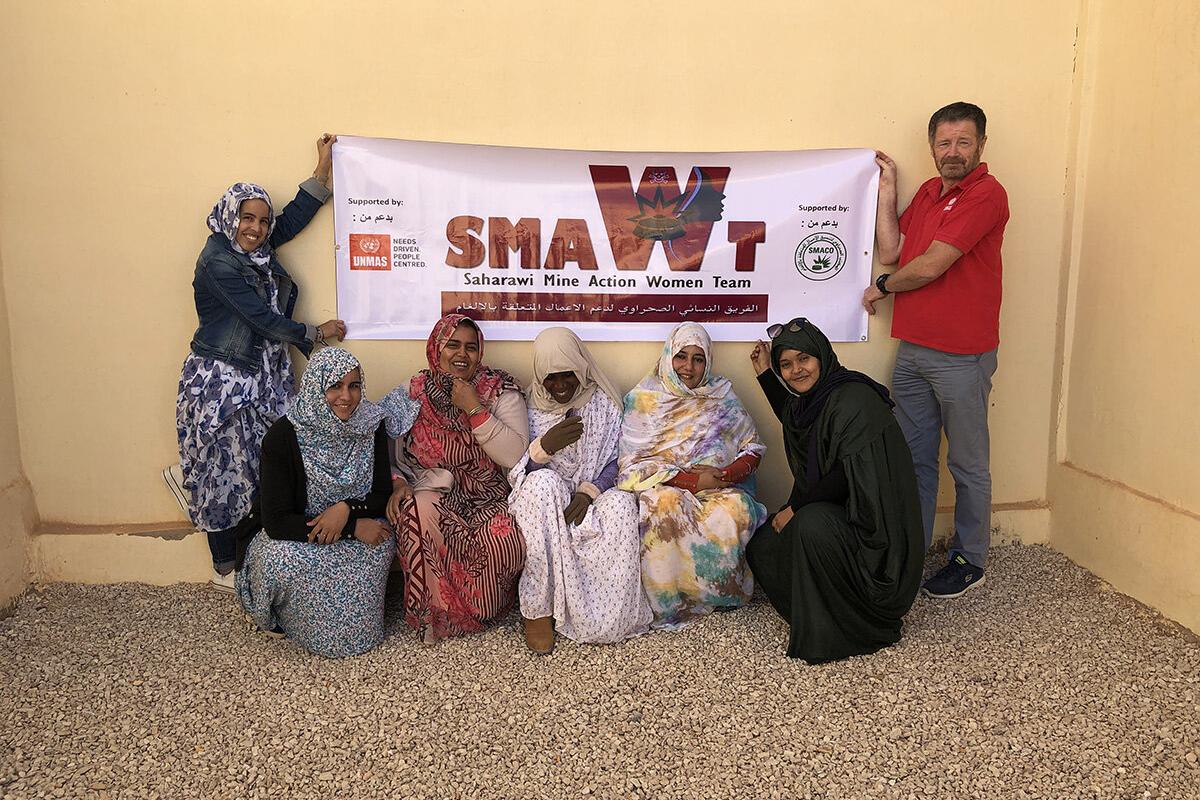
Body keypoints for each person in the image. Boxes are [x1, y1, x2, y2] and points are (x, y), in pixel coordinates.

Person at [175, 134, 346, 593]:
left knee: (261, 467)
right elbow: (262, 320)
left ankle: (255, 552)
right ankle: (225, 564)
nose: (255, 227)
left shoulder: (256, 249)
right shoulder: (218, 263)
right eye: (247, 218)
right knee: (221, 472)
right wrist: (316, 333)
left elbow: (287, 222)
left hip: (264, 379)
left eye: (261, 220)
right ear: (230, 217)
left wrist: (322, 172)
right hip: (223, 383)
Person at [862, 101, 1009, 598]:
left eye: (963, 142)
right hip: (913, 352)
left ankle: (970, 557)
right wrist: (888, 191)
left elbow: (929, 266)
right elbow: (893, 249)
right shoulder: (927, 193)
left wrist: (884, 286)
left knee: (967, 464)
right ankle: (913, 549)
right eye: (944, 143)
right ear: (932, 147)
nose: (953, 152)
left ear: (981, 146)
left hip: (962, 356)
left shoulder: (987, 195)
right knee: (914, 461)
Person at [745, 318, 924, 663]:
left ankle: (857, 624)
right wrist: (766, 374)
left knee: (808, 525)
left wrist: (794, 508)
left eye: (804, 359)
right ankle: (820, 610)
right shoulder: (813, 400)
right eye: (786, 364)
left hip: (875, 531)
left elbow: (844, 475)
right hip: (838, 512)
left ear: (822, 356)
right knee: (764, 546)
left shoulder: (854, 399)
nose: (796, 370)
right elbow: (796, 422)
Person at [235, 348, 418, 658]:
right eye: (335, 386)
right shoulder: (283, 436)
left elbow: (379, 493)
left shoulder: (368, 423)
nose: (345, 396)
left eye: (354, 385)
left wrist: (347, 510)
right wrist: (350, 527)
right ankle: (284, 615)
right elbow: (276, 521)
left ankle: (339, 619)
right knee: (280, 560)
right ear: (316, 386)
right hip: (299, 533)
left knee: (381, 541)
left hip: (355, 526)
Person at [384, 314, 529, 643]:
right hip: (435, 494)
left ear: (481, 353)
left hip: (489, 498)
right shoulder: (414, 392)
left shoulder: (498, 391)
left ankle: (481, 609)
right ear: (437, 347)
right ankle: (435, 612)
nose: (462, 355)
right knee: (417, 509)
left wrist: (475, 408)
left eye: (471, 347)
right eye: (453, 345)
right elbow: (381, 446)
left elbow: (513, 455)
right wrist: (397, 480)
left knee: (503, 538)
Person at [508, 328, 652, 653]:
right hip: (549, 506)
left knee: (622, 505)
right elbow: (516, 476)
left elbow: (619, 459)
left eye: (567, 375)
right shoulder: (527, 407)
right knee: (540, 485)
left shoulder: (604, 402)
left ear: (581, 368)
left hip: (593, 497)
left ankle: (611, 616)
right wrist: (541, 450)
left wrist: (590, 491)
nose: (559, 386)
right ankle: (538, 611)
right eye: (550, 378)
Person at [618, 322, 768, 628]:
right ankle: (670, 600)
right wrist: (691, 481)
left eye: (698, 359)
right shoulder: (644, 398)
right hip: (663, 485)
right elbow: (631, 466)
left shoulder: (721, 395)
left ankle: (722, 594)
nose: (689, 367)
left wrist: (725, 474)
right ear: (668, 356)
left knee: (734, 509)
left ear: (708, 362)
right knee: (664, 506)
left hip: (719, 486)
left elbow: (753, 448)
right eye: (681, 356)